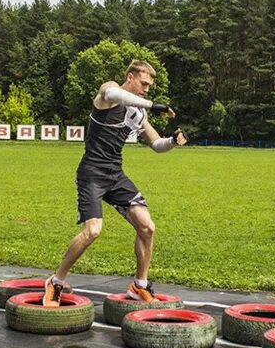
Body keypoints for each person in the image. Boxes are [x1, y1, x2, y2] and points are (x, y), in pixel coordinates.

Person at [43, 60, 188, 306]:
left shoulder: (138, 113)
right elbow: (112, 93)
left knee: (147, 227)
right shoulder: (108, 93)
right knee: (93, 231)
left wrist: (173, 141)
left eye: (150, 87)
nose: (146, 90)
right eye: (143, 84)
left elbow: (156, 144)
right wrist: (153, 105)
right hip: (92, 173)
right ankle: (55, 282)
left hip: (115, 175)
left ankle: (139, 285)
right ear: (129, 77)